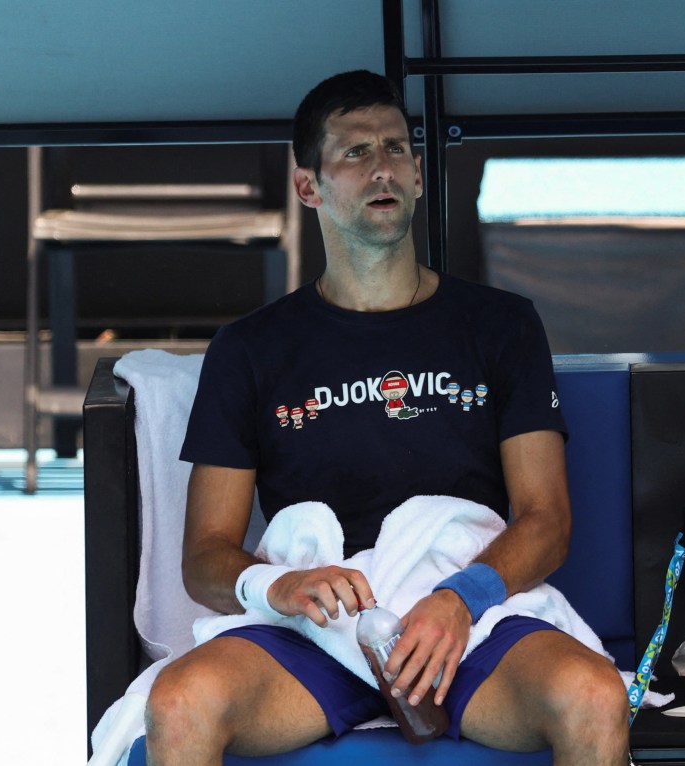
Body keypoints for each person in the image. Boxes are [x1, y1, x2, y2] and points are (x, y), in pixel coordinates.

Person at [144, 70, 629, 765]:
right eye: (354, 153)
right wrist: (279, 584)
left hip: (467, 619)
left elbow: (546, 520)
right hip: (316, 632)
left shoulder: (502, 325)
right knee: (179, 703)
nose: (382, 168)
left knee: (593, 695)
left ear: (420, 175)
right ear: (307, 185)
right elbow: (206, 555)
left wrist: (461, 598)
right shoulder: (250, 348)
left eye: (397, 149)